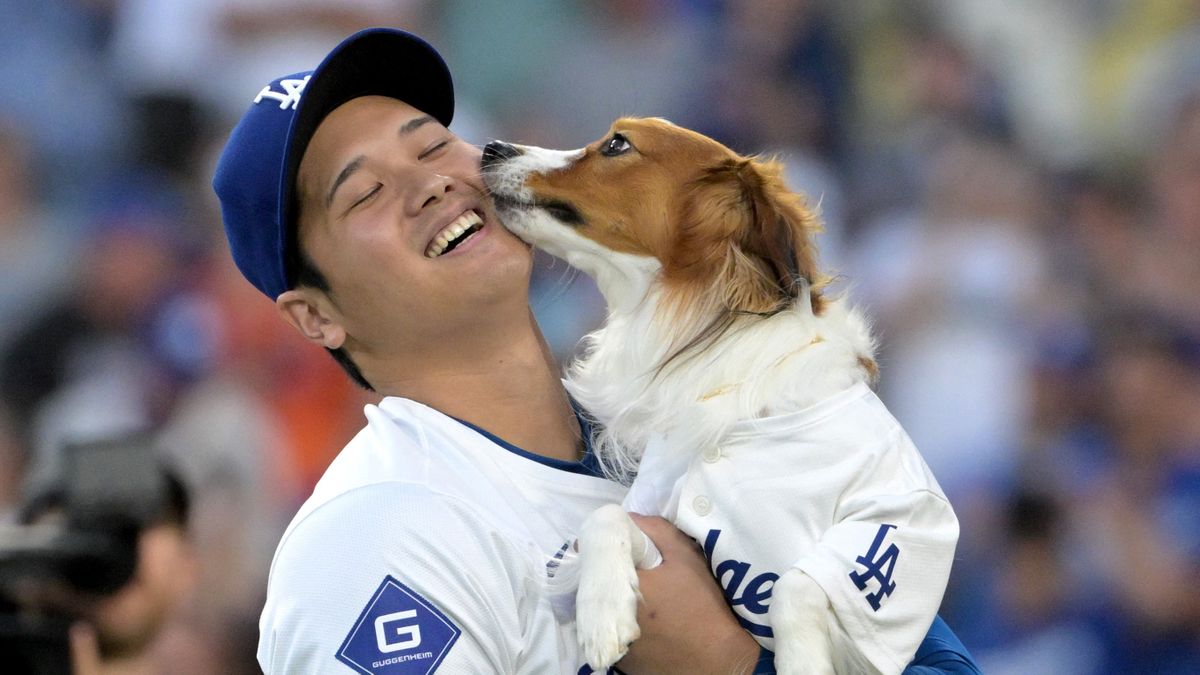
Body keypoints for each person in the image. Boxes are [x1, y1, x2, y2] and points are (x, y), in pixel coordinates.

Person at [213, 27, 980, 674]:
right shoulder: (376, 539)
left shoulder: (700, 417)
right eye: (366, 193)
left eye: (433, 144)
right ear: (315, 317)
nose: (430, 184)